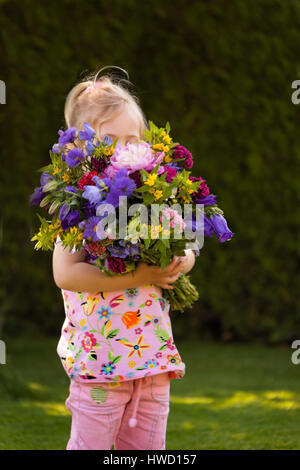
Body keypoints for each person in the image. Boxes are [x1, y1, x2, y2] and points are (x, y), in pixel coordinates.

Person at [52, 65, 196, 450]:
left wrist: (180, 263)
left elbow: (188, 248)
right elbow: (66, 274)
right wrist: (142, 275)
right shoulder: (78, 206)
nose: (123, 150)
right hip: (101, 367)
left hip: (152, 364)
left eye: (132, 140)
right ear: (79, 149)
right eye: (110, 141)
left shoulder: (155, 197)